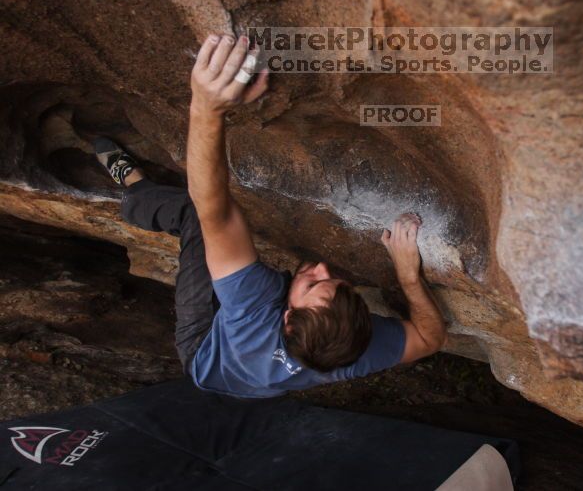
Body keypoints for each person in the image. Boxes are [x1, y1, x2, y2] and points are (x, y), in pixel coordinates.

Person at [93, 33, 447, 397]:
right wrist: (408, 276)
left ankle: (134, 189)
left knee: (193, 216)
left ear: (288, 320)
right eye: (339, 284)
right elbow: (430, 338)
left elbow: (214, 210)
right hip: (254, 369)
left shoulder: (255, 305)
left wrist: (206, 106)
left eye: (312, 284)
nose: (322, 268)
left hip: (205, 353)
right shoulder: (353, 351)